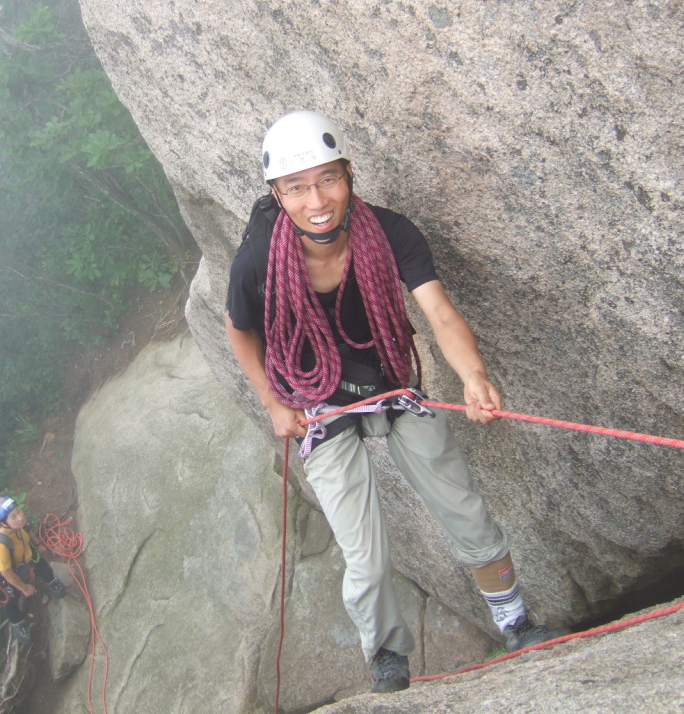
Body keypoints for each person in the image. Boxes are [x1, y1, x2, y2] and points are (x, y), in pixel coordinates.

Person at [225, 110, 564, 693]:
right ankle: (387, 655)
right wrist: (273, 405)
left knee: (466, 511)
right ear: (277, 195)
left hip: (388, 381)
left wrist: (473, 375)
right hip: (317, 402)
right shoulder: (258, 258)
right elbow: (240, 330)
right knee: (367, 554)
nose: (317, 200)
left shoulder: (390, 233)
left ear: (349, 174)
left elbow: (438, 311)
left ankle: (514, 619)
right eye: (298, 187)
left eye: (328, 179)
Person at [0, 495, 67, 645]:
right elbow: (7, 573)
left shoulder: (16, 525)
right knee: (9, 600)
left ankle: (52, 582)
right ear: (2, 523)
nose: (21, 516)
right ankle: (18, 622)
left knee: (45, 569)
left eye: (19, 511)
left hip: (28, 557)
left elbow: (27, 530)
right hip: (13, 572)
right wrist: (24, 588)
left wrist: (38, 543)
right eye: (14, 516)